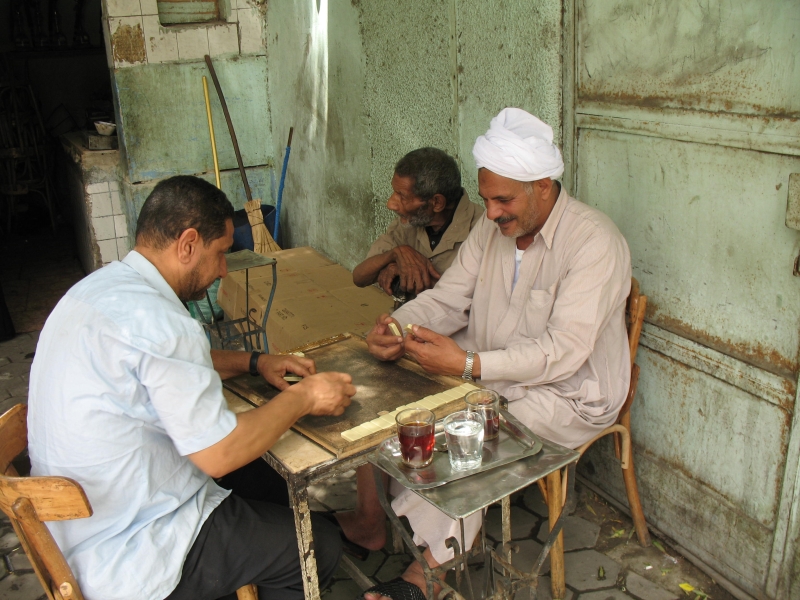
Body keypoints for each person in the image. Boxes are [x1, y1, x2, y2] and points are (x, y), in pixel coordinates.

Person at [345, 108, 632, 599]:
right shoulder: (491, 229)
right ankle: (373, 519)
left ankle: (425, 578)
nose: (492, 213)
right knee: (388, 397)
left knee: (468, 440)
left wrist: (467, 365)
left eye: (503, 200)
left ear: (542, 185)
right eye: (486, 200)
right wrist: (400, 324)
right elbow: (449, 297)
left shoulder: (594, 241)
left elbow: (563, 352)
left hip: (569, 393)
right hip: (492, 375)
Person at [27, 176, 356, 600]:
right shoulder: (162, 324)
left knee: (268, 480)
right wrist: (305, 396)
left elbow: (165, 364)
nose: (223, 271)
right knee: (318, 548)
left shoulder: (96, 290)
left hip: (75, 530)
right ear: (187, 244)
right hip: (134, 549)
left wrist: (256, 362)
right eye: (220, 254)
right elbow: (218, 454)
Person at [352, 147, 484, 298]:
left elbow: (481, 300)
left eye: (402, 196)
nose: (391, 204)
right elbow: (359, 277)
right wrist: (395, 255)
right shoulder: (410, 222)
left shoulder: (482, 230)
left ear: (437, 202)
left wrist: (406, 271)